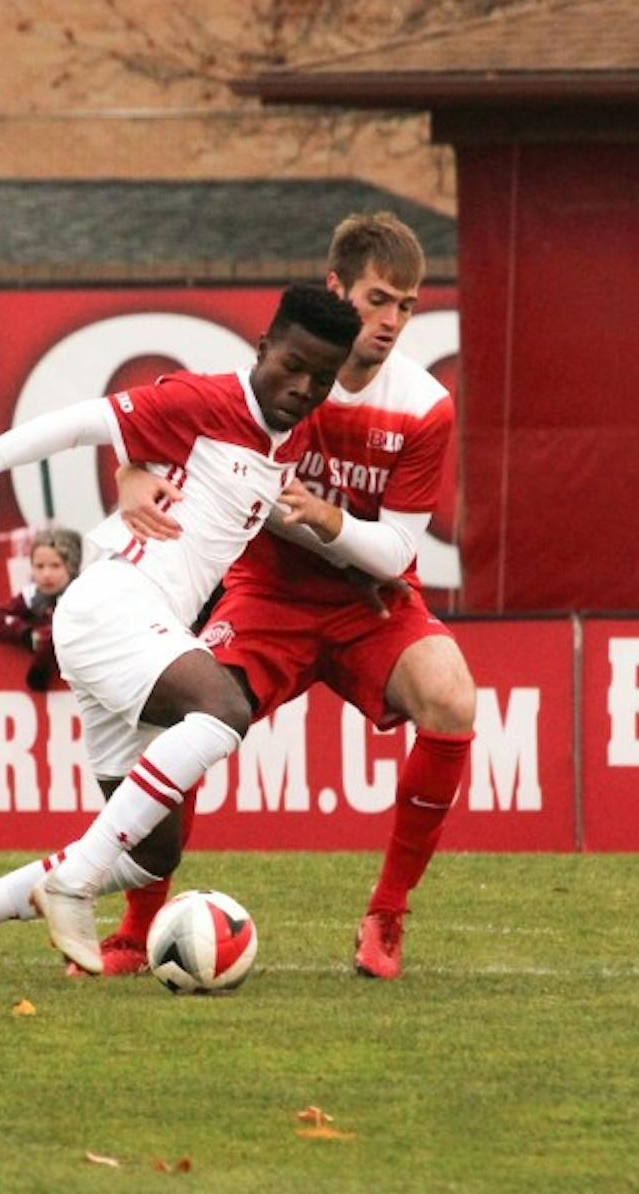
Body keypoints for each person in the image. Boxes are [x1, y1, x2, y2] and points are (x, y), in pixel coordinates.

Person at [0, 283, 360, 976]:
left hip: (142, 629)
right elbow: (74, 423)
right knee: (225, 708)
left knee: (151, 853)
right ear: (264, 349)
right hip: (114, 606)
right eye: (292, 365)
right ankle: (72, 881)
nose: (302, 386)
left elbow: (157, 457)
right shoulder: (203, 400)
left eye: (321, 377)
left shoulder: (302, 433)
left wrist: (134, 467)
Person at [108, 211, 475, 981]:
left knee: (452, 700)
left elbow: (399, 551)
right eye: (378, 299)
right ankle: (138, 927)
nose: (392, 321)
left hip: (370, 602)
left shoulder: (422, 404)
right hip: (268, 592)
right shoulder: (272, 379)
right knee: (181, 718)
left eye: (407, 306)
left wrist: (324, 518)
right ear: (336, 289)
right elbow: (144, 426)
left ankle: (388, 914)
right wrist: (131, 472)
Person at [0, 527, 81, 692]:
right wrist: (26, 634)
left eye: (55, 566)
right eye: (39, 566)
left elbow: (56, 638)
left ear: (71, 567)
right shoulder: (32, 595)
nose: (46, 574)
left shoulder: (82, 596)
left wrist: (40, 660)